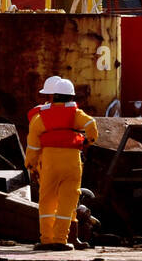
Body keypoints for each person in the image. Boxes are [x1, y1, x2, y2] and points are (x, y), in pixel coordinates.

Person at [26, 76, 98, 251]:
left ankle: (46, 240)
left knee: (47, 201)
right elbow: (91, 124)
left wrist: (31, 165)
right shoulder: (75, 114)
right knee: (68, 203)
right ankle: (60, 240)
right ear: (71, 98)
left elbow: (33, 144)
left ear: (53, 96)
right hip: (72, 161)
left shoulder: (41, 117)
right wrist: (88, 141)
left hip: (49, 161)